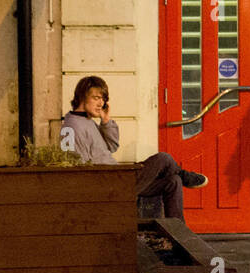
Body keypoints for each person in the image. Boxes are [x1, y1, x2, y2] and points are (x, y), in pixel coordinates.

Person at [61, 75, 207, 222]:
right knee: (164, 158)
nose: (101, 103)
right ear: (81, 96)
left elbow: (111, 147)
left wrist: (106, 121)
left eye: (103, 99)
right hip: (109, 185)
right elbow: (77, 167)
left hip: (117, 179)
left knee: (173, 181)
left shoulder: (86, 121)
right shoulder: (73, 126)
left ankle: (178, 233)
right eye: (96, 98)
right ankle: (184, 176)